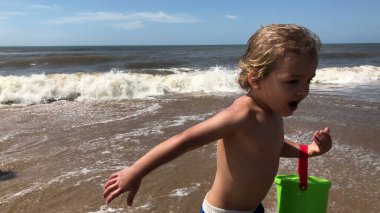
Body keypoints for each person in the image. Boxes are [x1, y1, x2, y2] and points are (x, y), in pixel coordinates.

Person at [103, 24, 333, 213]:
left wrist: (309, 150)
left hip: (253, 209)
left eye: (308, 80)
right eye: (293, 82)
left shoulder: (272, 111)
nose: (303, 90)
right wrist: (136, 171)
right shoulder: (242, 114)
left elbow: (270, 146)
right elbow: (184, 139)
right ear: (256, 80)